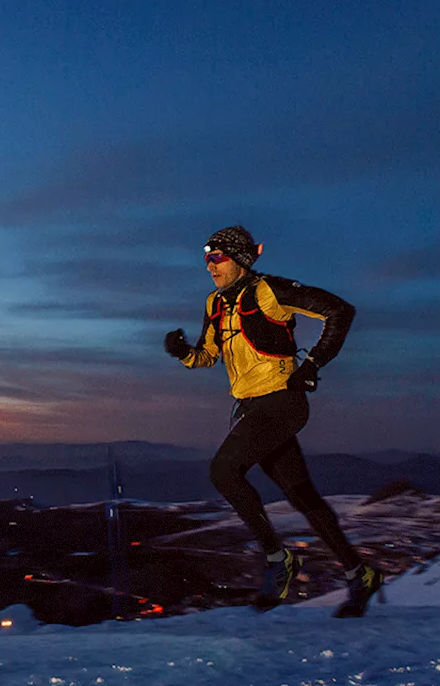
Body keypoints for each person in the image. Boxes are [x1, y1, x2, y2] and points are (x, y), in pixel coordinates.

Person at [164, 225, 383, 618]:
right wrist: (183, 352)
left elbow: (340, 311)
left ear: (240, 258)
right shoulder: (214, 302)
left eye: (218, 256)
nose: (209, 264)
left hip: (282, 403)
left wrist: (312, 365)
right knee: (302, 496)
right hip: (251, 408)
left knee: (223, 472)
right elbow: (208, 354)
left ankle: (278, 560)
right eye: (206, 257)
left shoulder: (269, 291)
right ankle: (359, 573)